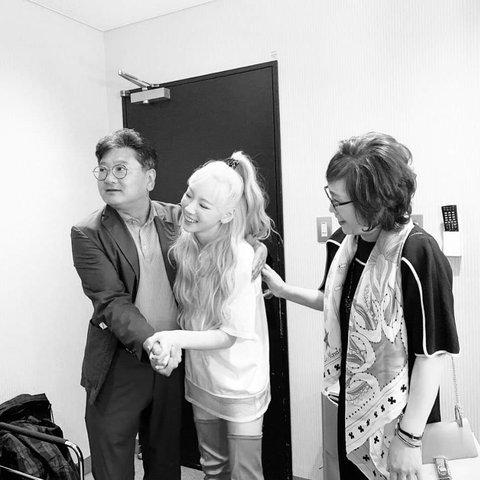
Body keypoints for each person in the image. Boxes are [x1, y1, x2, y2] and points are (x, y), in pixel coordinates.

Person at [262, 132, 459, 480]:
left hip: (404, 418)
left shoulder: (417, 253)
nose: (331, 209)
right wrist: (283, 290)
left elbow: (432, 353)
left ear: (373, 202)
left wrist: (409, 438)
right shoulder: (344, 244)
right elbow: (335, 305)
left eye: (338, 202)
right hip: (353, 405)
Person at [71, 129, 266, 480]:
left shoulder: (178, 218)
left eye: (120, 169)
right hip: (120, 362)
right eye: (103, 169)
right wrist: (154, 343)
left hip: (171, 362)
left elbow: (227, 232)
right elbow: (111, 301)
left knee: (164, 461)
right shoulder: (88, 233)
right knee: (112, 466)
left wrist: (255, 246)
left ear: (149, 178)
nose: (109, 178)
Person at [148, 152, 272, 480]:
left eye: (204, 205)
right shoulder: (185, 244)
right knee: (213, 469)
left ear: (228, 214)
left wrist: (173, 338)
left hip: (241, 383)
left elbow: (229, 335)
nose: (189, 208)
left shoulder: (240, 257)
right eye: (189, 195)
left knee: (245, 473)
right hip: (203, 379)